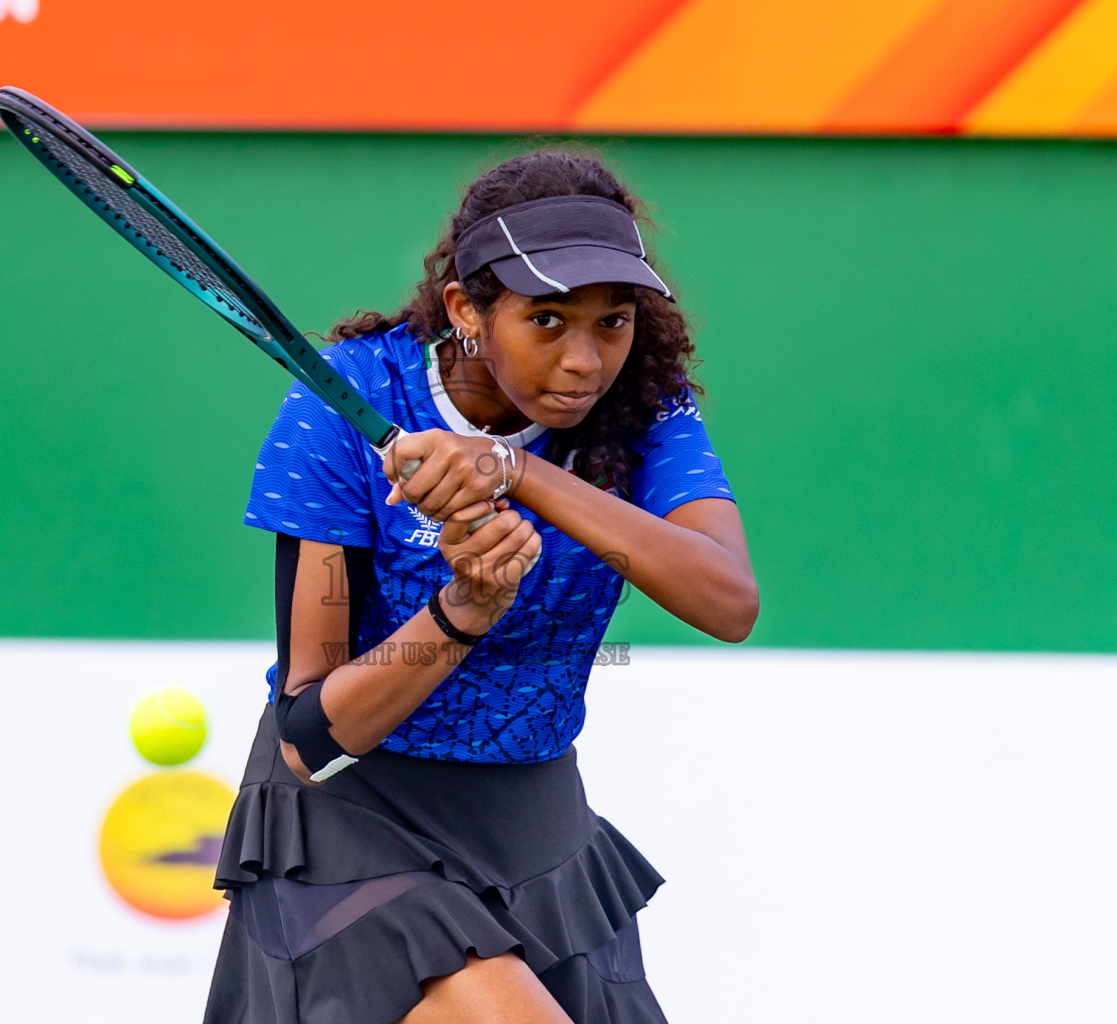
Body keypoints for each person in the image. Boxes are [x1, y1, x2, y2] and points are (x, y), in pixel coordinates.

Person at [203, 150, 758, 1024]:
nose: (585, 360)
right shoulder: (346, 398)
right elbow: (313, 733)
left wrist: (516, 472)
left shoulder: (646, 410)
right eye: (546, 320)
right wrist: (462, 612)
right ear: (466, 309)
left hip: (537, 829)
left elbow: (727, 601)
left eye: (612, 322)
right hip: (354, 820)